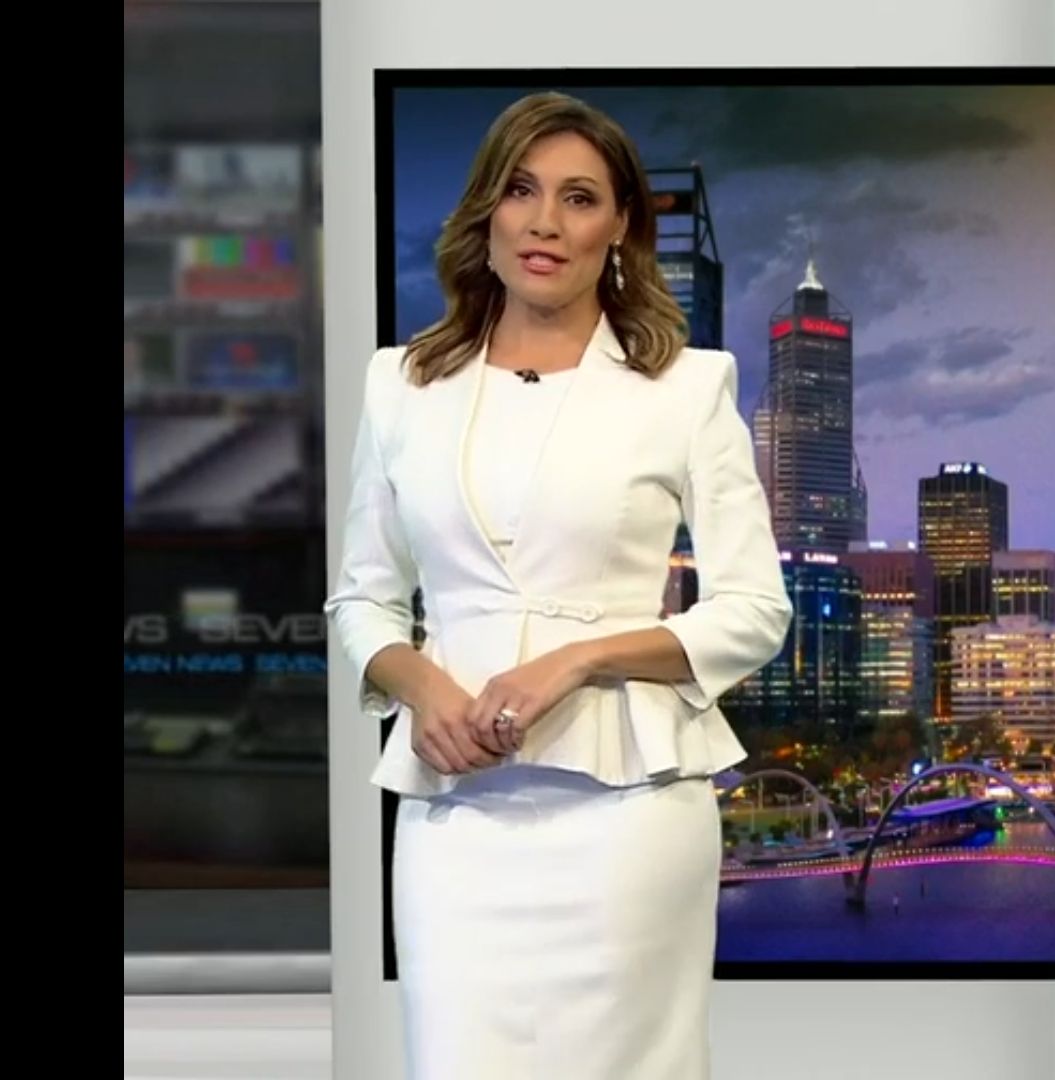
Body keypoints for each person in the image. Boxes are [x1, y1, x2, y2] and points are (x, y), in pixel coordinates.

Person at [324, 91, 792, 1079]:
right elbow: (362, 598)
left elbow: (754, 613)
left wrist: (577, 661)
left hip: (629, 819)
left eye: (579, 199)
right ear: (486, 210)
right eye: (521, 190)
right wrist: (424, 689)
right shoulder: (399, 384)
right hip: (456, 812)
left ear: (619, 225)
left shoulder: (687, 388)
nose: (545, 222)